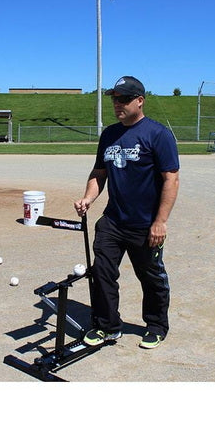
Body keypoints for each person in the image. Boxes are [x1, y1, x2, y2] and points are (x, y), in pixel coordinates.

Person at [74, 76, 180, 349]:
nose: (117, 104)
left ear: (140, 101)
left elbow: (171, 178)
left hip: (146, 225)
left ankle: (156, 326)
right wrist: (88, 198)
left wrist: (160, 221)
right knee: (102, 273)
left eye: (123, 99)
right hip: (113, 221)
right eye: (114, 99)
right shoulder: (109, 134)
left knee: (151, 276)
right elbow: (100, 172)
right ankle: (107, 326)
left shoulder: (157, 134)